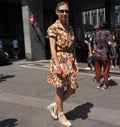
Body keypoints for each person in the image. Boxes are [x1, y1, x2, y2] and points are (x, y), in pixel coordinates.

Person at [47, 2, 79, 127]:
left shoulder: (70, 28)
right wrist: (57, 65)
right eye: (62, 11)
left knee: (72, 88)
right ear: (57, 12)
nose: (64, 13)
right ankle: (61, 114)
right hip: (59, 60)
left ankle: (55, 106)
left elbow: (72, 47)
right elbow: (52, 49)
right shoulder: (53, 28)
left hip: (69, 61)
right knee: (60, 89)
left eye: (66, 11)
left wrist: (75, 61)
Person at [94, 21, 113, 90]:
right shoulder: (107, 32)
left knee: (98, 70)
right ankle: (105, 85)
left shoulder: (96, 33)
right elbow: (109, 42)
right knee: (105, 70)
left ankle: (98, 84)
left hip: (97, 55)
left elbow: (95, 43)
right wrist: (112, 46)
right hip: (104, 54)